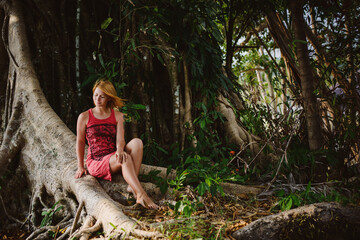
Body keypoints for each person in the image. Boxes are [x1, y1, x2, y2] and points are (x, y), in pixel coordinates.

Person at [75, 78, 158, 209]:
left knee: (137, 142)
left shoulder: (118, 115)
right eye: (95, 95)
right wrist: (80, 166)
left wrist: (120, 149)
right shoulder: (84, 116)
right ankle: (141, 194)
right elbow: (80, 142)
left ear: (109, 98)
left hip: (113, 154)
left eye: (102, 96)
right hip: (97, 161)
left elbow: (121, 139)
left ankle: (132, 185)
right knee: (125, 159)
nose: (98, 99)